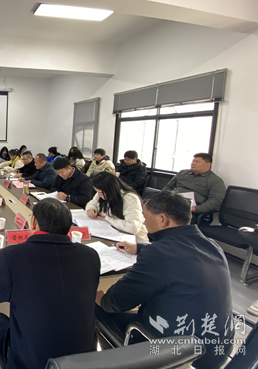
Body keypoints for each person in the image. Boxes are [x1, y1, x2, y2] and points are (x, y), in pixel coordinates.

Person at [96, 191, 234, 369]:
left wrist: (99, 297)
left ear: (163, 219)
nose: (143, 222)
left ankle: (120, 362)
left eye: (145, 217)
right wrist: (140, 248)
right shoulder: (212, 246)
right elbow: (178, 252)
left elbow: (115, 302)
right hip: (215, 352)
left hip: (177, 354)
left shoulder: (158, 254)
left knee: (95, 308)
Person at [0, 199, 100, 369]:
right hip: (86, 362)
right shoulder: (91, 256)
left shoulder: (14, 256)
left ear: (33, 222)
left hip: (34, 363)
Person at [85, 172, 149, 242]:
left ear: (110, 189)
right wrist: (91, 209)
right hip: (111, 232)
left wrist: (107, 219)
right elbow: (92, 203)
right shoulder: (102, 194)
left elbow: (133, 227)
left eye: (100, 192)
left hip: (134, 239)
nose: (98, 195)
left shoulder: (129, 199)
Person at [162, 153, 225, 223]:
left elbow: (215, 200)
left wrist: (195, 209)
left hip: (190, 208)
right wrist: (162, 197)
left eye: (197, 162)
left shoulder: (215, 181)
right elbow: (169, 186)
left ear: (208, 165)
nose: (193, 163)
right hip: (173, 201)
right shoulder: (182, 173)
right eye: (193, 161)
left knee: (170, 219)